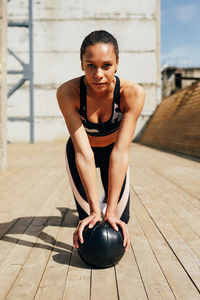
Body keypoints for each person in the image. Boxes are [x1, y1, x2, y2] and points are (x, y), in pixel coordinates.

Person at [56, 30, 145, 252]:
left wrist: (111, 210)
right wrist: (95, 211)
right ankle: (98, 204)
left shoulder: (132, 94)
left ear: (117, 64)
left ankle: (108, 199)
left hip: (113, 151)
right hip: (81, 150)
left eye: (106, 65)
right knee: (90, 222)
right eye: (90, 66)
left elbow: (121, 153)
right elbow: (83, 153)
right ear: (81, 65)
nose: (98, 74)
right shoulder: (68, 93)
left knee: (119, 218)